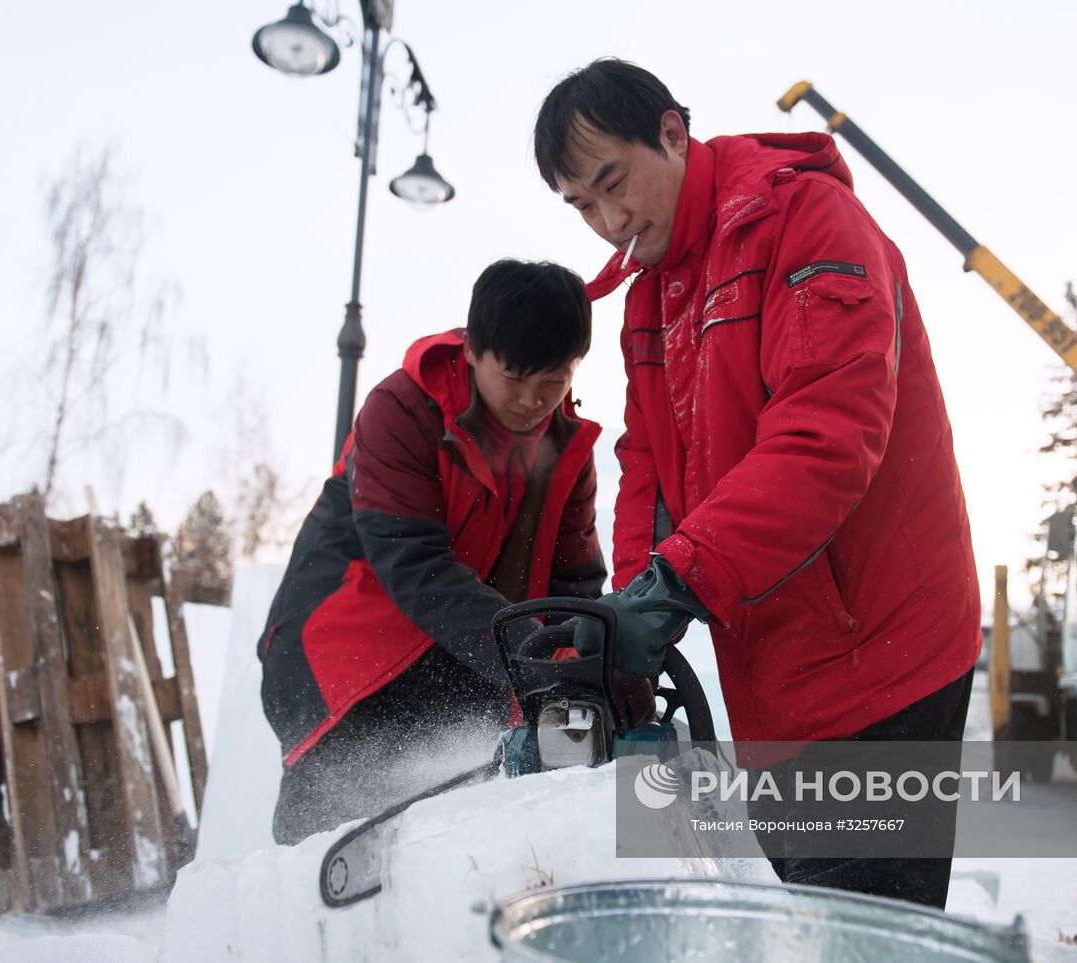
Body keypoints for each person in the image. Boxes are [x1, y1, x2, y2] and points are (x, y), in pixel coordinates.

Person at [535, 60, 981, 907]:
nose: (607, 219)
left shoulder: (805, 221)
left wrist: (675, 585)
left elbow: (827, 434)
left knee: (859, 926)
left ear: (673, 132)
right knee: (805, 911)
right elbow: (647, 468)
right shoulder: (651, 299)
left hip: (880, 644)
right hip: (775, 660)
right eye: (581, 207)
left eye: (612, 183)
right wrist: (634, 605)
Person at [258, 259, 605, 845]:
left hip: (468, 646)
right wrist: (531, 655)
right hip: (349, 650)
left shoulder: (567, 447)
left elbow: (574, 580)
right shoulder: (400, 409)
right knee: (328, 836)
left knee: (473, 828)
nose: (531, 401)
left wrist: (580, 660)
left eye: (553, 381)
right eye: (514, 378)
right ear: (472, 351)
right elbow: (413, 564)